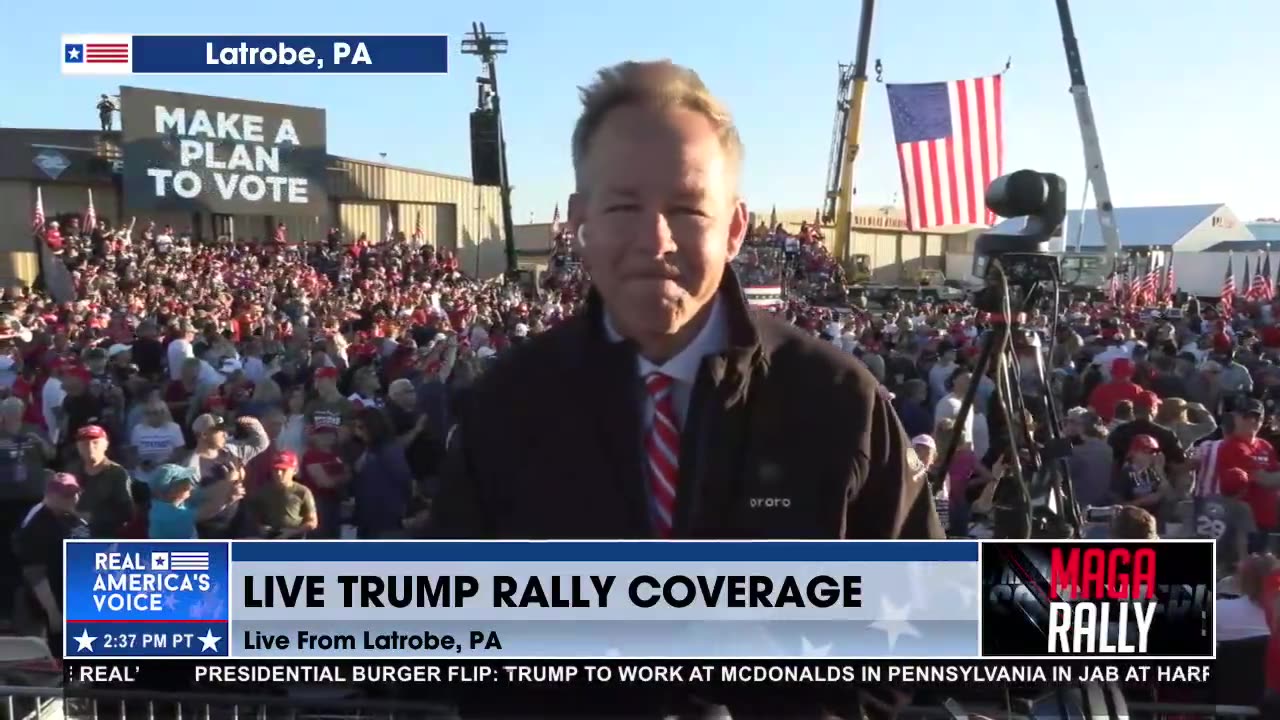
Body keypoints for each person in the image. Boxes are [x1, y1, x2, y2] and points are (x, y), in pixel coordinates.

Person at [427, 59, 940, 715]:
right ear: (579, 220)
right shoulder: (507, 405)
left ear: (734, 227)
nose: (655, 240)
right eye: (623, 206)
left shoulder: (838, 400)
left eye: (686, 207)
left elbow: (915, 628)